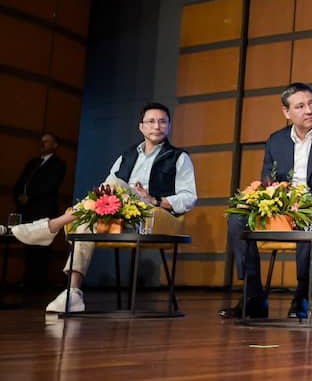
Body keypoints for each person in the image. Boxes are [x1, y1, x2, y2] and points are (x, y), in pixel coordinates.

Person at [5, 102, 197, 313]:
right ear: (141, 127)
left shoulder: (179, 158)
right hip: (119, 212)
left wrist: (154, 199)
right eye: (151, 121)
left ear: (169, 126)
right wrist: (114, 195)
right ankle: (74, 292)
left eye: (162, 122)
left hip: (152, 216)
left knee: (114, 187)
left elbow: (189, 198)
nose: (157, 126)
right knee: (88, 218)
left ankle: (48, 227)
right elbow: (106, 190)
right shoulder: (127, 155)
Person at [219, 82, 312, 320]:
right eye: (300, 106)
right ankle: (253, 296)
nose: (309, 110)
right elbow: (268, 181)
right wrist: (273, 199)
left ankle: (302, 294)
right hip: (283, 207)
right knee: (237, 218)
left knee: (309, 215)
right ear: (286, 112)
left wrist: (302, 201)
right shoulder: (276, 140)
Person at [12, 132, 66, 287]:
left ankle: (37, 281)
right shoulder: (32, 163)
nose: (42, 144)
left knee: (41, 247)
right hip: (27, 210)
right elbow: (20, 182)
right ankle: (28, 278)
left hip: (43, 211)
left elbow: (50, 185)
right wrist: (19, 197)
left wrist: (31, 196)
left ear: (55, 145)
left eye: (46, 141)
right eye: (41, 141)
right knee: (27, 245)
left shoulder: (58, 164)